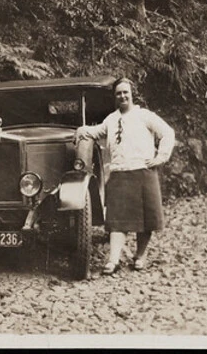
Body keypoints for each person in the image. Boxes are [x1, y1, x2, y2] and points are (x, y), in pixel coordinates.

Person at [76, 77, 175, 274]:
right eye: (118, 93)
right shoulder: (111, 119)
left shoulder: (145, 116)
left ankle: (140, 256)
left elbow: (167, 133)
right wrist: (81, 130)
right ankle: (113, 260)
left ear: (132, 94)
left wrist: (160, 157)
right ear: (115, 97)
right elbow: (96, 132)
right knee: (117, 220)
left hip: (143, 171)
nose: (122, 96)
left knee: (145, 219)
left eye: (125, 92)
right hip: (120, 173)